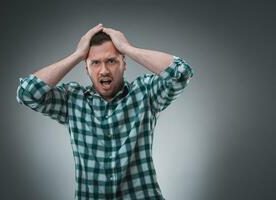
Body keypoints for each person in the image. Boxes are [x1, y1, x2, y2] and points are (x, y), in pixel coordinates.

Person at [16, 23, 194, 200]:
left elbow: (181, 72)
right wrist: (77, 55)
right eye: (95, 63)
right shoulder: (72, 99)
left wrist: (128, 48)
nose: (104, 70)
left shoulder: (145, 92)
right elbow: (27, 93)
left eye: (111, 61)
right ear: (86, 68)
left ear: (124, 64)